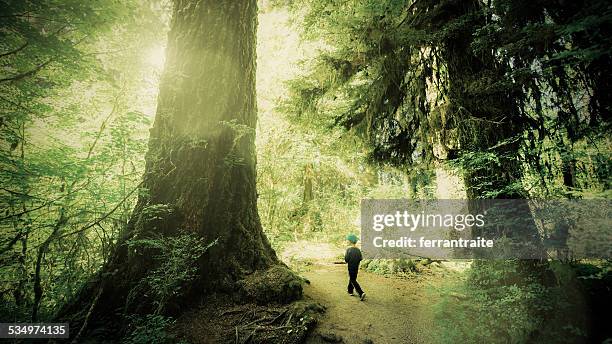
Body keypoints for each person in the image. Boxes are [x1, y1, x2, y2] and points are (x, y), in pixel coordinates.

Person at [345, 233, 366, 301]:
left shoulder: (349, 250)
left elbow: (346, 260)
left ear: (350, 241)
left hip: (350, 267)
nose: (347, 241)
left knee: (353, 279)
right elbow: (360, 258)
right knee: (352, 278)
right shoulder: (358, 250)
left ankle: (361, 293)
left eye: (347, 240)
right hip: (356, 267)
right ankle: (350, 290)